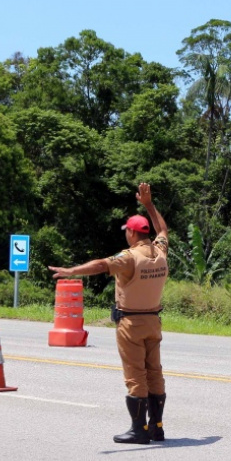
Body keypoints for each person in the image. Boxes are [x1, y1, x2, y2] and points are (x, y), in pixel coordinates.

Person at [48, 182, 169, 445]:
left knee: (136, 375)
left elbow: (102, 264)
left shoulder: (128, 258)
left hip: (131, 323)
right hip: (153, 321)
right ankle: (156, 427)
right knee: (155, 373)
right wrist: (149, 204)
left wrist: (71, 271)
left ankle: (139, 431)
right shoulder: (160, 252)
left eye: (128, 231)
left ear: (133, 234)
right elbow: (162, 228)